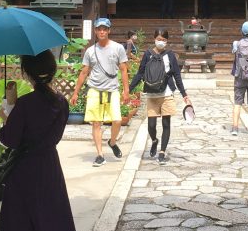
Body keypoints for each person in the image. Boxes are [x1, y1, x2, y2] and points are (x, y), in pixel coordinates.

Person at [0, 51, 96, 231]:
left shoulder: (25, 104)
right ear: (53, 71)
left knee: (21, 229)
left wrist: (7, 116)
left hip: (25, 172)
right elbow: (49, 135)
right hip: (50, 168)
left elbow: (10, 140)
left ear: (26, 73)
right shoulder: (61, 102)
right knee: (59, 224)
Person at [70, 17, 130, 167]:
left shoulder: (118, 48)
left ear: (109, 30)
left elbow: (123, 70)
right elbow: (84, 72)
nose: (102, 31)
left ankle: (112, 141)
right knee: (96, 123)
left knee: (117, 120)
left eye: (104, 29)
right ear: (95, 31)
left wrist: (126, 91)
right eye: (99, 29)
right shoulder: (90, 51)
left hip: (112, 89)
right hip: (95, 89)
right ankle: (100, 154)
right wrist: (75, 92)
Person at [128, 29, 191, 165]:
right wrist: (129, 89)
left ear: (167, 41)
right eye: (159, 39)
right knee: (151, 125)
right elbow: (140, 73)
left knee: (166, 123)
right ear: (154, 39)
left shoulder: (170, 55)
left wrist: (184, 94)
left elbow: (177, 75)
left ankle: (162, 151)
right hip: (152, 93)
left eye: (163, 39)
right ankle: (155, 140)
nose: (161, 42)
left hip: (167, 93)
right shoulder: (148, 54)